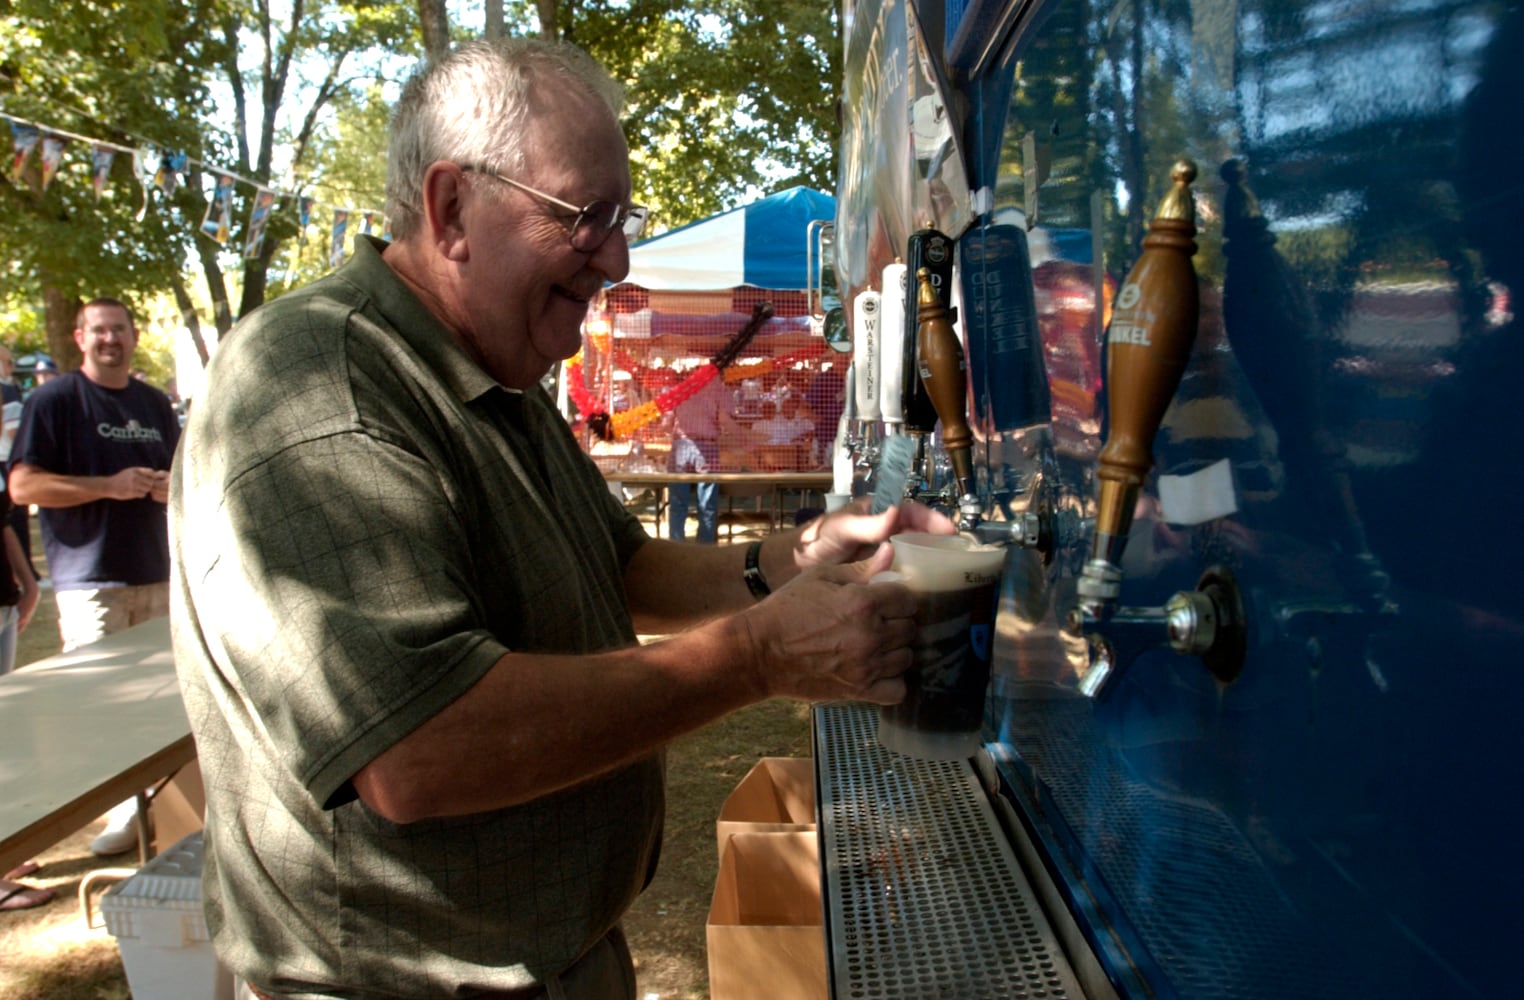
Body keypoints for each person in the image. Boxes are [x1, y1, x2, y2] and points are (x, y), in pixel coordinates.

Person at [172, 37, 951, 1000]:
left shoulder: (495, 369)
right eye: (588, 217)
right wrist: (761, 656)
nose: (618, 258)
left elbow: (617, 568)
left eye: (623, 221)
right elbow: (418, 751)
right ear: (452, 208)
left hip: (556, 962)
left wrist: (786, 560)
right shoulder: (315, 382)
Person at [8, 297, 181, 857]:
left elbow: (188, 475)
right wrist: (107, 485)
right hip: (91, 581)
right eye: (99, 331)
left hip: (159, 575)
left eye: (120, 330)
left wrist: (164, 487)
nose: (111, 340)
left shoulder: (153, 403)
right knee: (104, 710)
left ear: (133, 337)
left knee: (165, 706)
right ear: (81, 338)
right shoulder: (53, 400)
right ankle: (120, 815)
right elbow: (23, 487)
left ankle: (170, 813)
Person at [666, 372, 740, 542]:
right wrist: (746, 440)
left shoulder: (680, 390)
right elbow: (725, 420)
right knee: (707, 505)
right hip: (707, 447)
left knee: (677, 504)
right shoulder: (721, 391)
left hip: (680, 446)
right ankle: (704, 548)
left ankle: (676, 546)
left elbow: (665, 423)